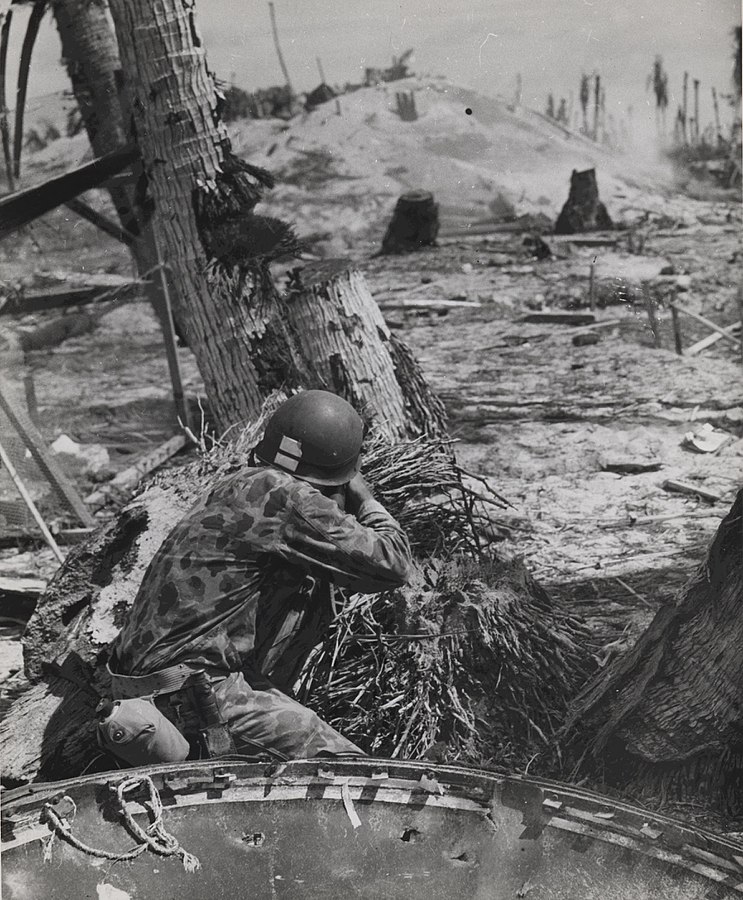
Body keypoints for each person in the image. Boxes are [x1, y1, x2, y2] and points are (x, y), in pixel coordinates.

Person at [107, 390, 411, 761]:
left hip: (147, 688)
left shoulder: (235, 484)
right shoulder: (286, 496)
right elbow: (391, 564)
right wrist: (365, 499)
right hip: (194, 693)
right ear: (338, 475)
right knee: (348, 772)